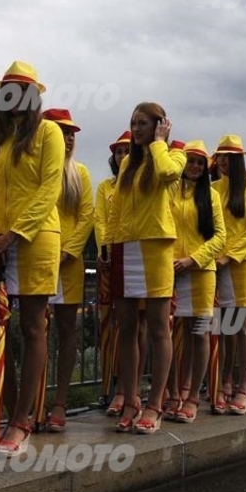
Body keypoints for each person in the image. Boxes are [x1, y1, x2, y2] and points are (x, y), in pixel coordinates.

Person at [0, 61, 65, 453]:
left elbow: (50, 188)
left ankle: (22, 418)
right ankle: (7, 407)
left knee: (32, 327)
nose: (13, 96)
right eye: (7, 90)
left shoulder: (48, 133)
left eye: (21, 89)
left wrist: (14, 233)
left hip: (35, 239)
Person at [102, 102, 185, 434]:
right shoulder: (126, 166)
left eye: (143, 124)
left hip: (154, 247)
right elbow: (116, 211)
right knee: (127, 329)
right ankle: (132, 398)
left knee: (157, 327)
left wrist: (159, 143)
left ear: (159, 125)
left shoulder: (172, 156)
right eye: (133, 123)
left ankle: (155, 403)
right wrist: (108, 247)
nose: (136, 129)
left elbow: (167, 174)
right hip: (125, 247)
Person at [41, 108, 94, 432]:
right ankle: (34, 402)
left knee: (66, 331)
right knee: (36, 330)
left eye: (72, 132)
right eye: (62, 130)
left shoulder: (81, 174)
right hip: (39, 258)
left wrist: (68, 251)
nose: (69, 137)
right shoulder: (38, 170)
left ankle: (59, 402)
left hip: (69, 263)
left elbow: (87, 215)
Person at [165, 141, 225, 422]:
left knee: (199, 333)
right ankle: (175, 392)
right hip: (171, 269)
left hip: (200, 271)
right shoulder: (169, 189)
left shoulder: (211, 196)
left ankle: (192, 398)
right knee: (176, 333)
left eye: (201, 163)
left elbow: (220, 237)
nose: (196, 167)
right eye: (191, 161)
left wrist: (193, 260)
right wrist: (172, 260)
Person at [95, 131, 150, 416]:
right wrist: (104, 251)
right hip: (115, 256)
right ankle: (119, 388)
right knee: (118, 325)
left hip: (140, 252)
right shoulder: (106, 186)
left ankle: (133, 389)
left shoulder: (143, 181)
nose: (123, 156)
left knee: (139, 326)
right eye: (118, 152)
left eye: (127, 151)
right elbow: (101, 219)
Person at [211, 135, 246, 415]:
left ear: (238, 160)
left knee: (241, 328)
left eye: (228, 156)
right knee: (221, 328)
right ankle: (222, 382)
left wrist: (230, 256)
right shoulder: (213, 188)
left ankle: (243, 387)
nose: (222, 161)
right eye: (219, 156)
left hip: (241, 266)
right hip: (215, 266)